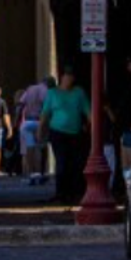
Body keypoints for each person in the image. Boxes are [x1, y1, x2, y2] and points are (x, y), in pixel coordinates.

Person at [40, 68, 93, 206]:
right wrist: (40, 130)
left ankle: (73, 192)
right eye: (66, 76)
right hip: (57, 132)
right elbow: (45, 114)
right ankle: (61, 193)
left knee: (76, 163)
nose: (69, 79)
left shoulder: (79, 93)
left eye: (71, 76)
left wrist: (90, 126)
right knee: (62, 162)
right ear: (61, 77)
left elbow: (89, 112)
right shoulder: (52, 93)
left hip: (75, 134)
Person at [16, 77, 50, 185]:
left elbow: (20, 104)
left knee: (30, 147)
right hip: (39, 122)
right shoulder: (45, 90)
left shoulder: (30, 89)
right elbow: (47, 105)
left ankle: (32, 174)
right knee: (42, 147)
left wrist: (16, 121)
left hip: (27, 123)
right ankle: (41, 173)